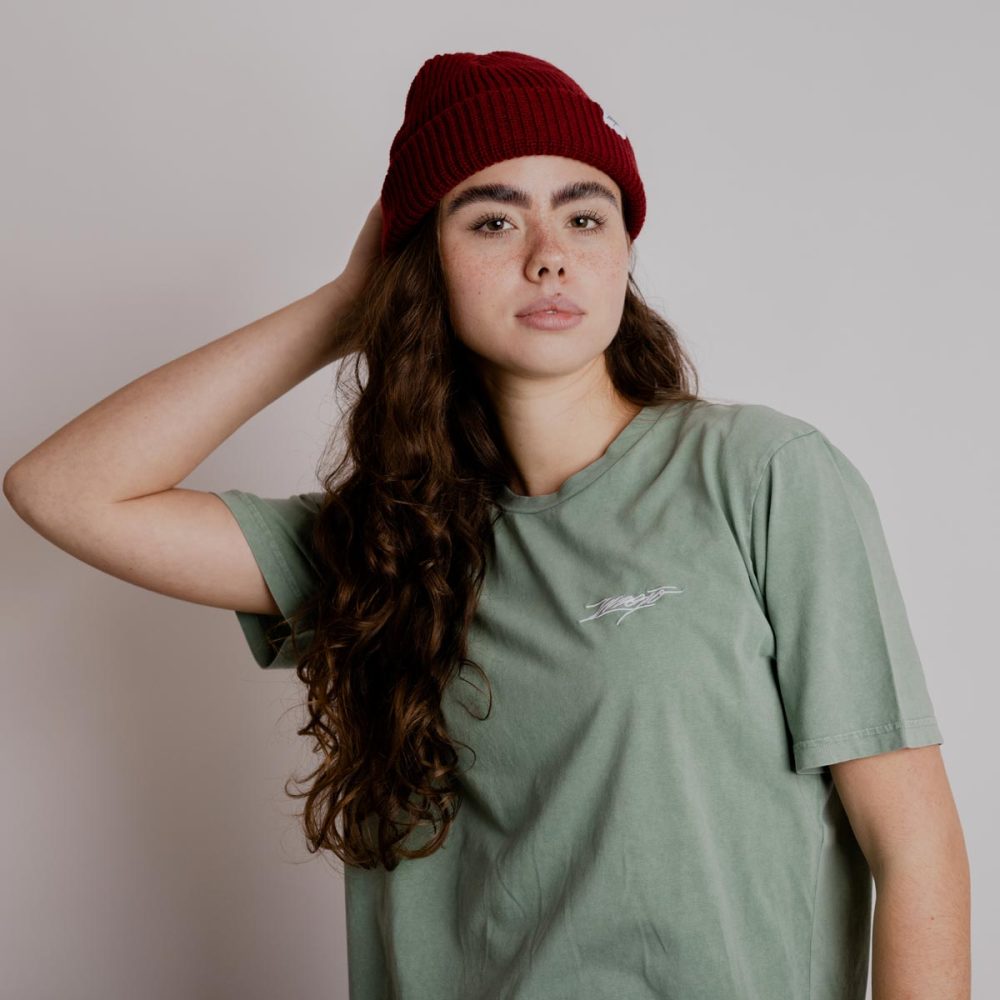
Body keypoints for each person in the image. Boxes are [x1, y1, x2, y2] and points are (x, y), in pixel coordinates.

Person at [4, 50, 967, 1000]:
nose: (549, 254)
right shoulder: (386, 546)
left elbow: (913, 843)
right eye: (494, 220)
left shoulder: (761, 475)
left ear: (624, 251)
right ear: (426, 262)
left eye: (584, 216)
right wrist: (345, 307)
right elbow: (65, 492)